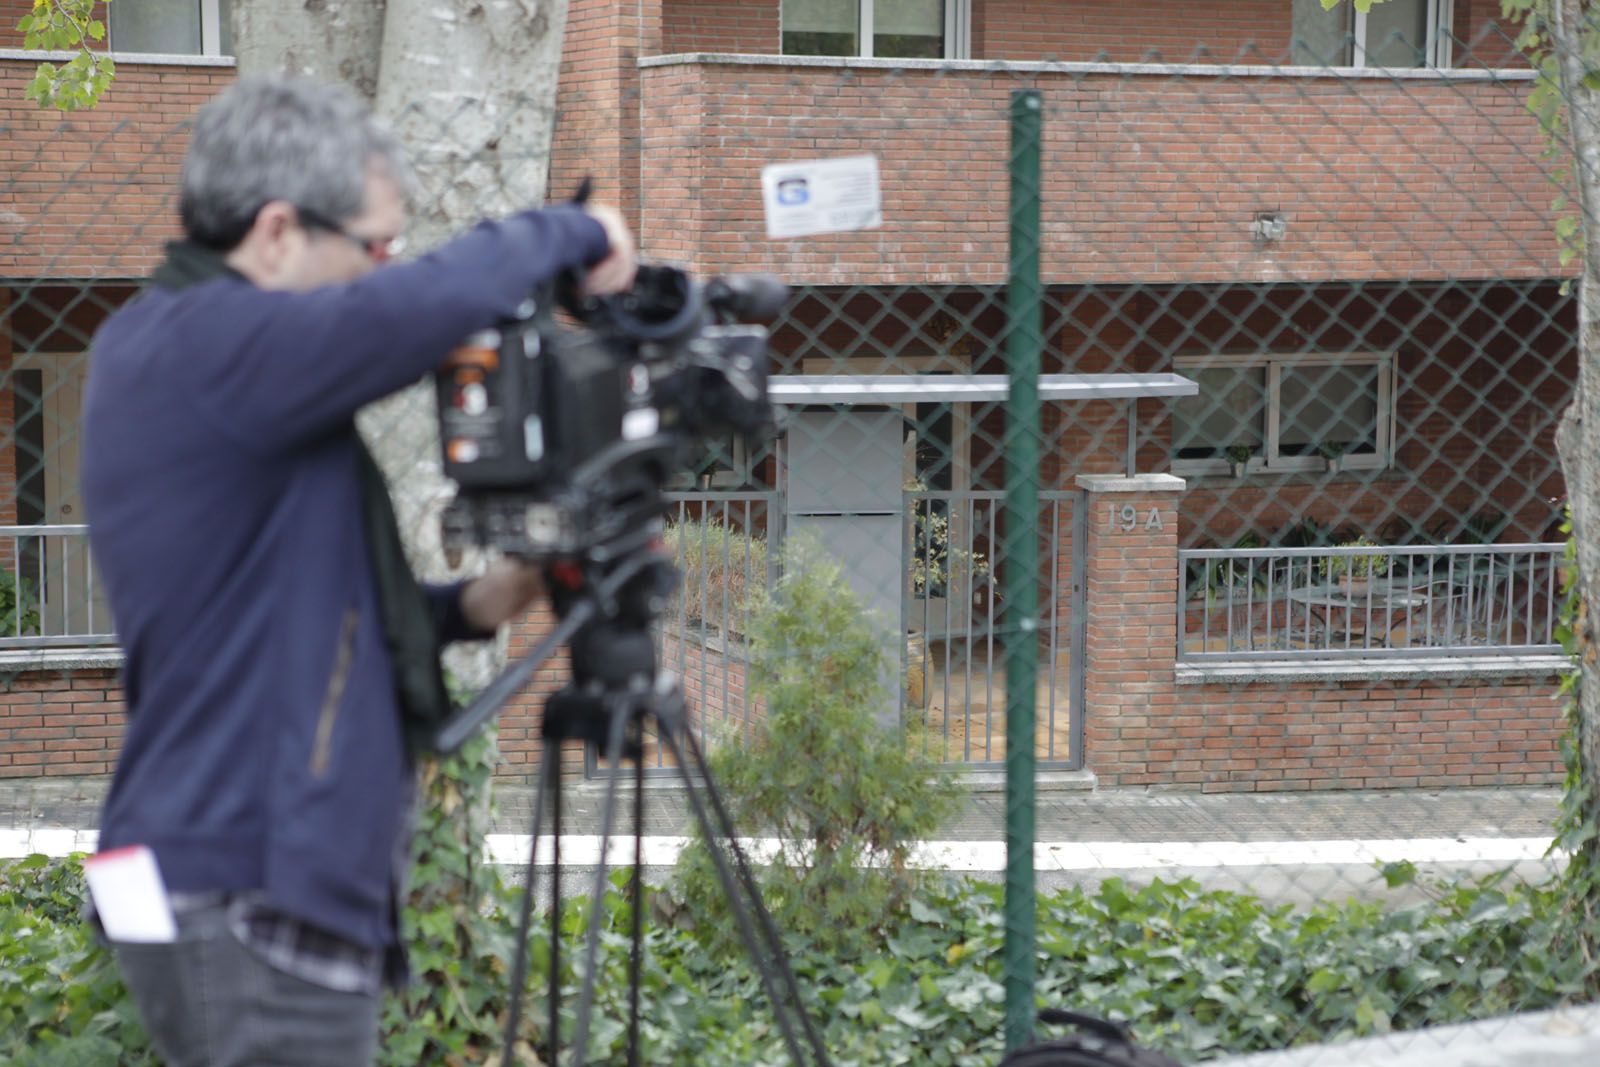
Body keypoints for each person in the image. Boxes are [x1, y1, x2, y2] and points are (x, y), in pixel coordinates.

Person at [79, 75, 637, 1066]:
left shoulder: (195, 362)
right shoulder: (206, 343)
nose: (386, 272)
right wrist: (577, 228)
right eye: (375, 248)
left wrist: (481, 601)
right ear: (280, 230)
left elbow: (291, 617)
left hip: (218, 869)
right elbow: (422, 309)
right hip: (247, 875)